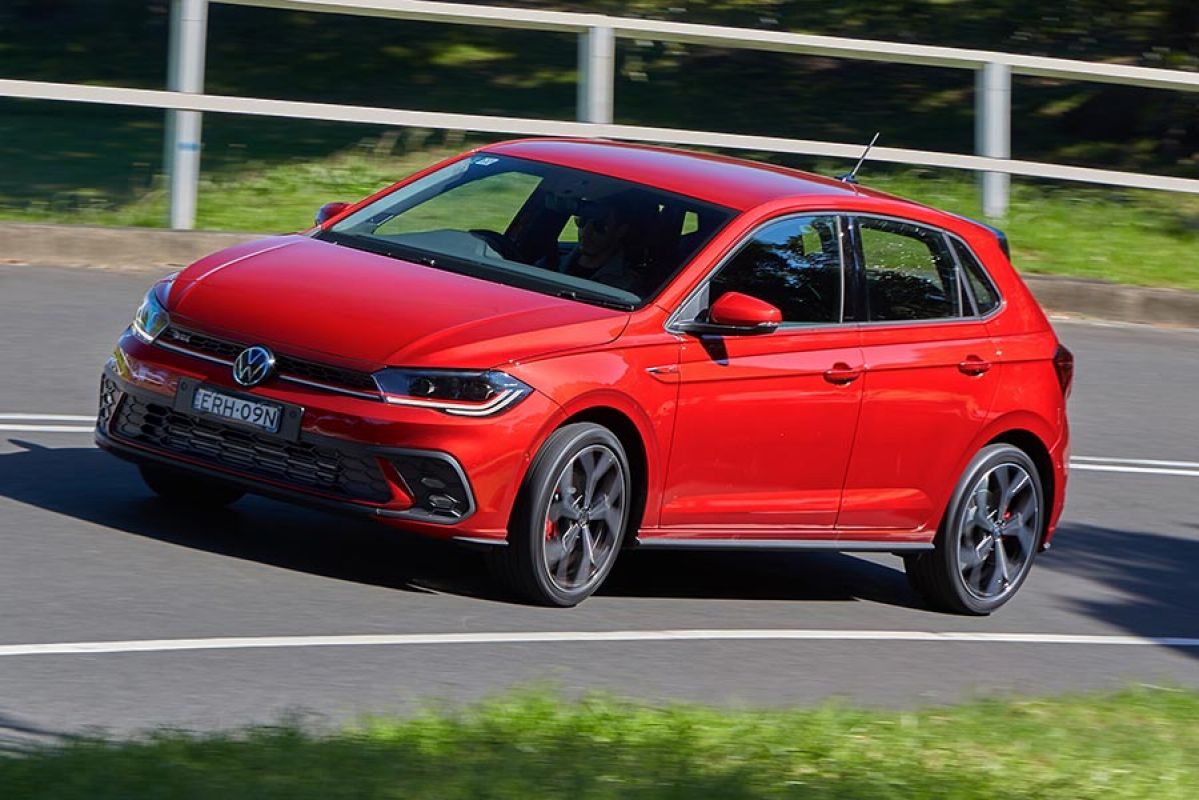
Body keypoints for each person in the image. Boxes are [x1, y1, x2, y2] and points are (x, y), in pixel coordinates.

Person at [560, 195, 644, 293]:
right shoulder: (551, 262)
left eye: (599, 226)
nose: (586, 232)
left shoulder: (626, 287)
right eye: (582, 221)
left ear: (620, 231)